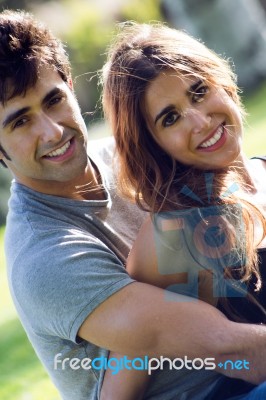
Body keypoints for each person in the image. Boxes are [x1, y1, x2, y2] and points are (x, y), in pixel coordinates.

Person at [1, 10, 266, 400]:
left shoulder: (138, 160)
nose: (52, 131)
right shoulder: (45, 257)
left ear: (71, 86)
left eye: (54, 100)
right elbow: (226, 347)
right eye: (20, 122)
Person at [100, 22, 266, 399]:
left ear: (221, 81)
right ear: (153, 145)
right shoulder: (173, 235)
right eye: (170, 118)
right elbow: (121, 384)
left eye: (199, 91)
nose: (200, 121)